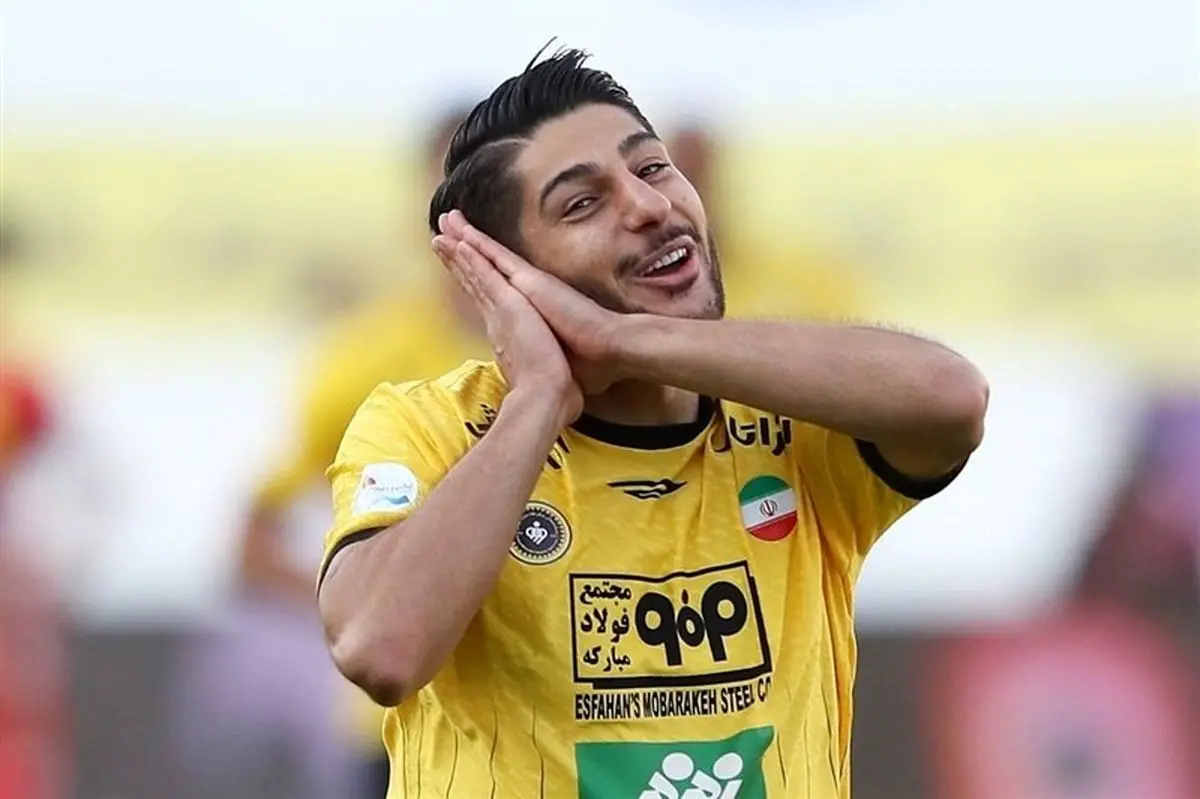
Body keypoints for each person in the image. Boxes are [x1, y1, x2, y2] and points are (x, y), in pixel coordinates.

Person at [317, 48, 988, 799]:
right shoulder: (427, 423)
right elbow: (380, 648)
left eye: (652, 168)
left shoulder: (794, 424)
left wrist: (623, 338)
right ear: (507, 272)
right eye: (582, 203)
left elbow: (952, 397)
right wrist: (539, 397)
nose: (646, 205)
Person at [170, 107, 481, 799]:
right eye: (451, 184)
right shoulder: (365, 358)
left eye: (495, 181)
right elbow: (251, 544)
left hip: (573, 721)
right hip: (401, 734)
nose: (470, 211)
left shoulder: (601, 349)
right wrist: (374, 606)